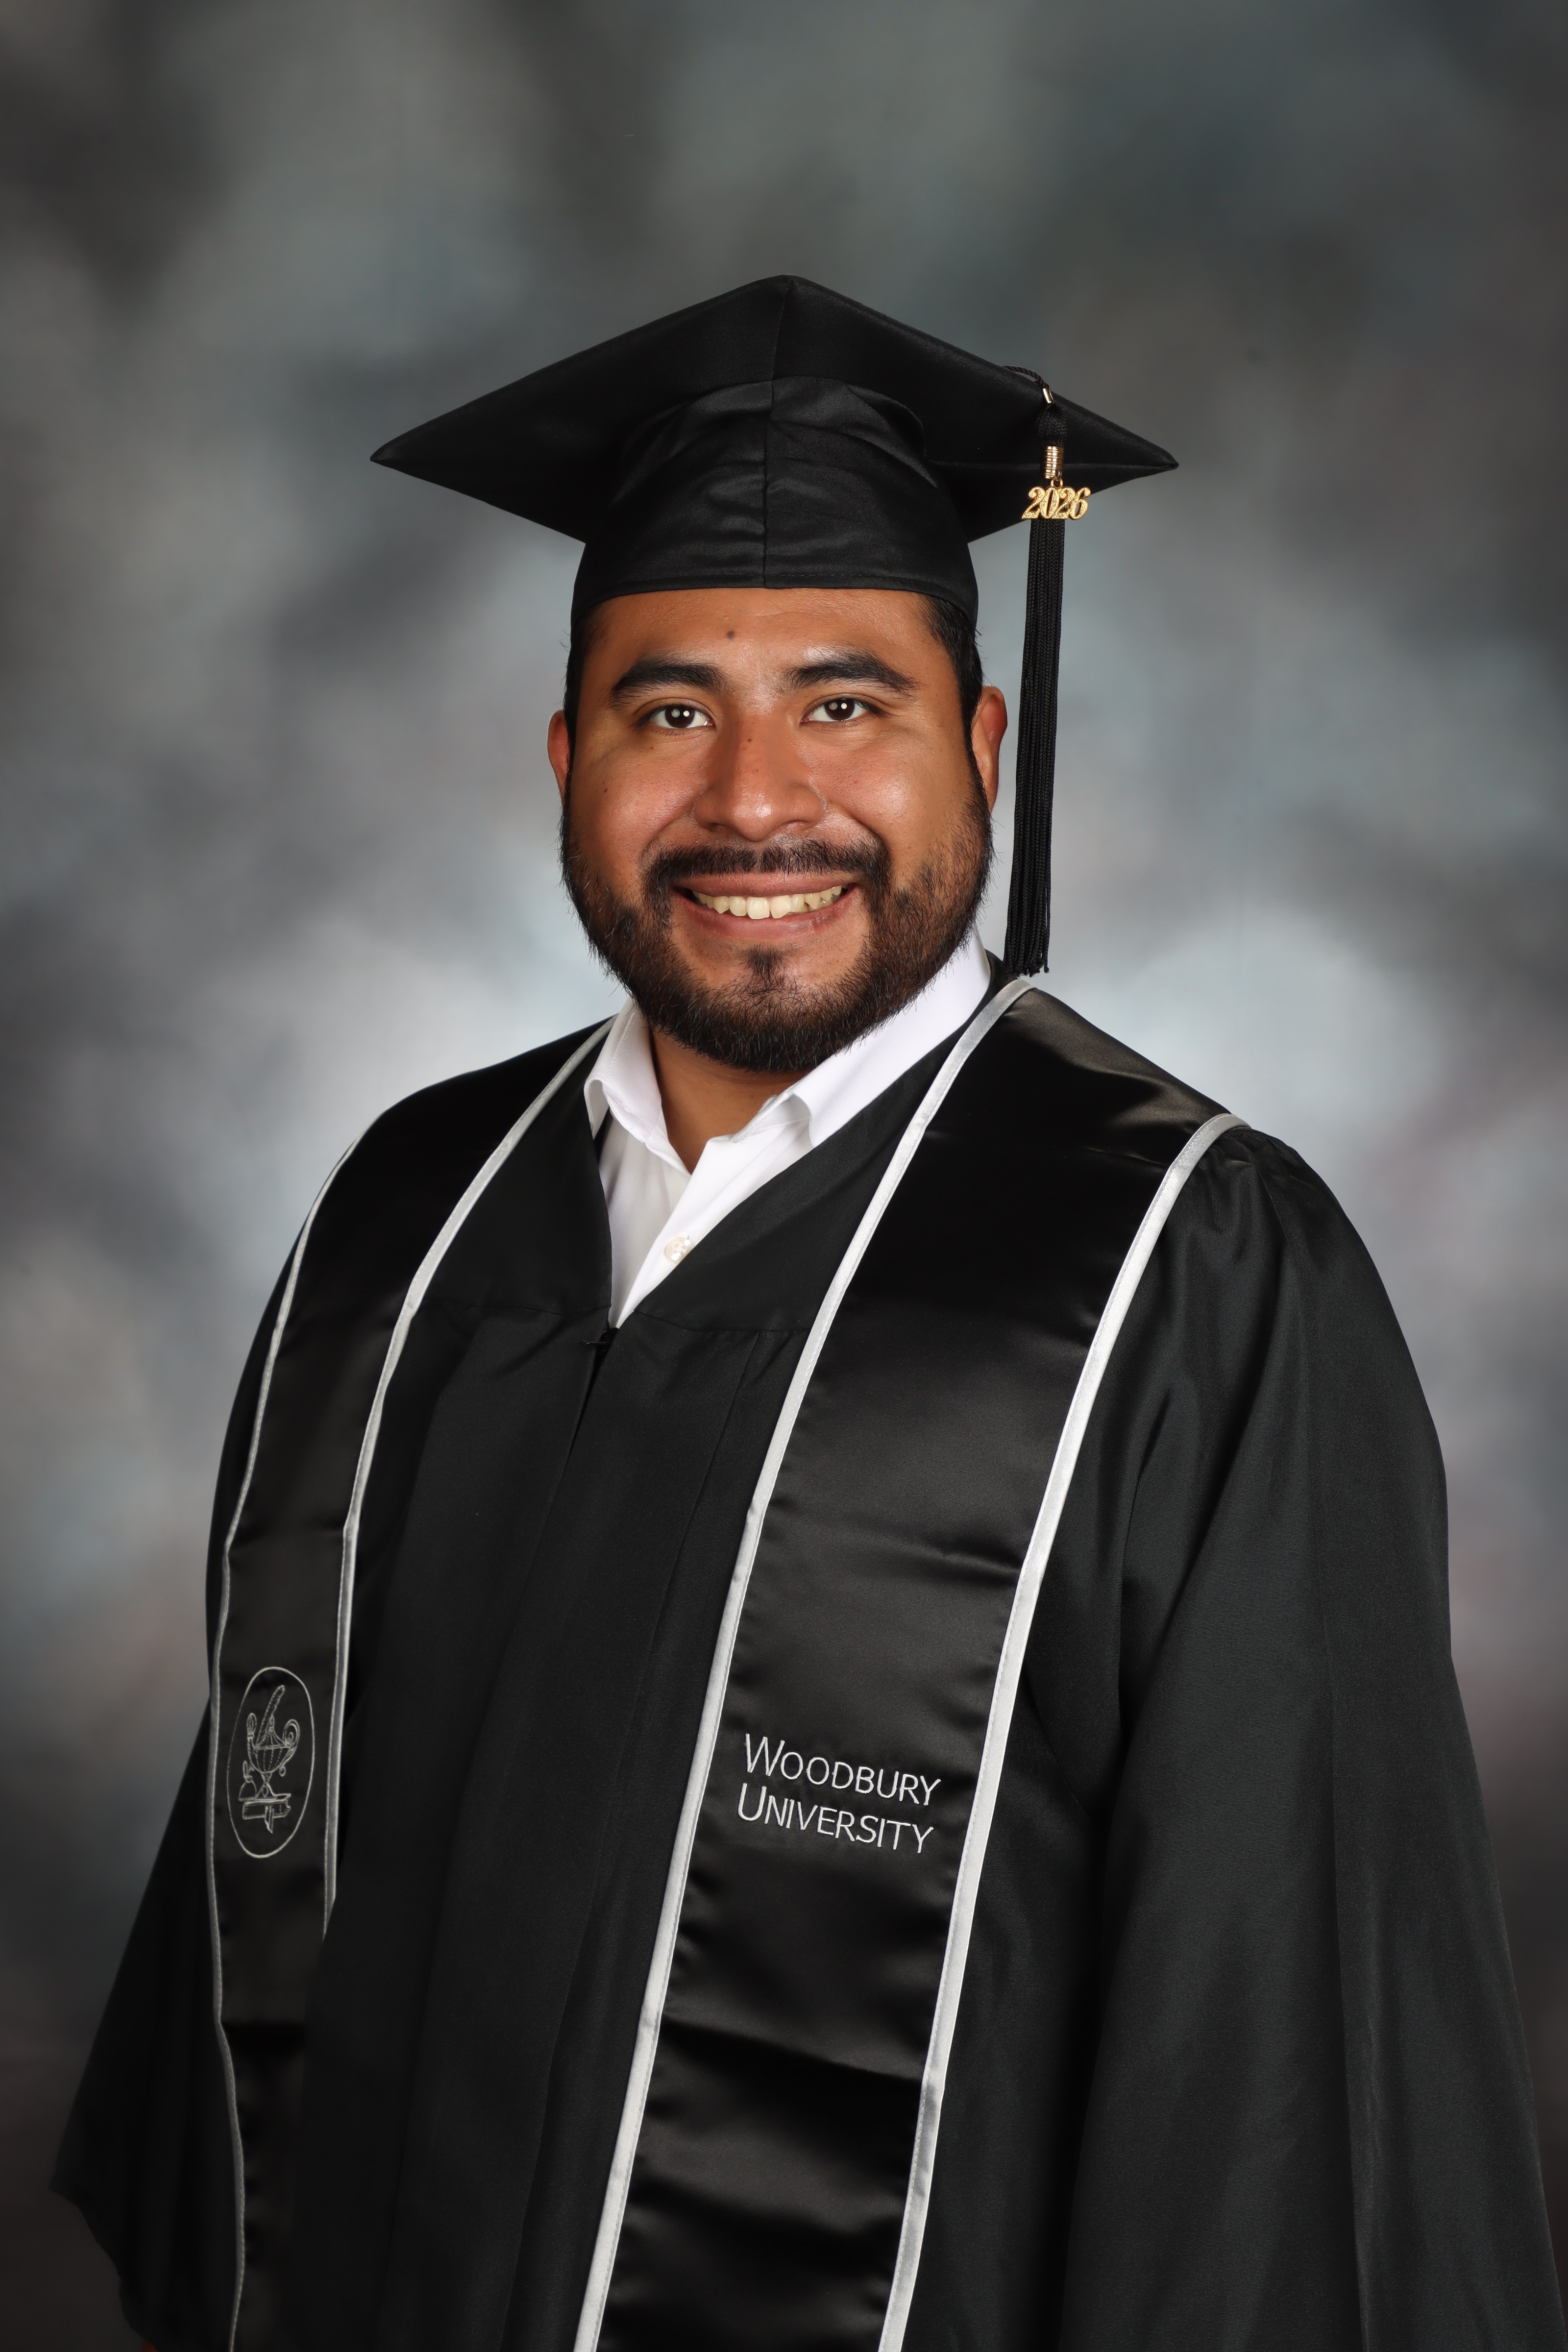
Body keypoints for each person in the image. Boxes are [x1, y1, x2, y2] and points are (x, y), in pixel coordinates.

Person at [56, 277, 1563, 2352]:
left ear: (982, 748)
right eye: (670, 712)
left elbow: (1274, 2108)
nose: (755, 800)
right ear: (568, 760)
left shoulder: (1192, 1273)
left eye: (844, 704)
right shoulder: (403, 1221)